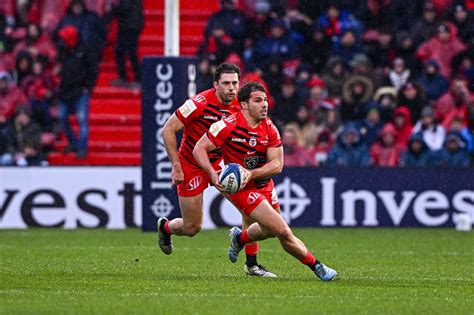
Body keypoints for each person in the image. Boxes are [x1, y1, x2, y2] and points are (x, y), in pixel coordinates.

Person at [193, 82, 337, 281]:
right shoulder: (227, 125)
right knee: (283, 230)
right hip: (241, 189)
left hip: (263, 184)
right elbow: (198, 149)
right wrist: (212, 172)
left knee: (270, 230)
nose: (264, 105)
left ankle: (240, 238)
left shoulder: (269, 127)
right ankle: (318, 267)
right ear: (244, 105)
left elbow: (277, 164)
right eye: (258, 101)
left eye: (265, 100)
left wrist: (251, 174)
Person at [157, 64, 276, 277]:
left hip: (223, 164)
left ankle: (252, 265)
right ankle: (166, 228)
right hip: (191, 164)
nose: (231, 88)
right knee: (192, 228)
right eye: (226, 83)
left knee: (249, 208)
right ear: (215, 85)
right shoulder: (198, 103)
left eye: (234, 83)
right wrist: (176, 166)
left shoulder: (242, 105)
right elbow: (167, 130)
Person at [56, 25, 99, 159]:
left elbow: (93, 69)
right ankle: (74, 143)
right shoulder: (62, 50)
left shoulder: (85, 50)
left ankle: (82, 148)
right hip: (64, 91)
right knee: (62, 117)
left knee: (81, 120)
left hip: (80, 90)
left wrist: (89, 87)